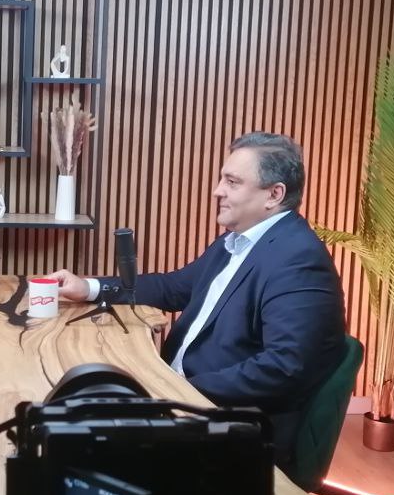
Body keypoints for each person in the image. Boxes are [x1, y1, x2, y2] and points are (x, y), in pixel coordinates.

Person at [49, 132, 345, 468]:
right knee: (71, 409)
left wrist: (176, 390)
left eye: (232, 182)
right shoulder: (236, 242)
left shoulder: (297, 259)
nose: (217, 191)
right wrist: (89, 287)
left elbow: (283, 367)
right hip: (182, 399)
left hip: (228, 427)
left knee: (78, 443)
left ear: (274, 194)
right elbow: (173, 287)